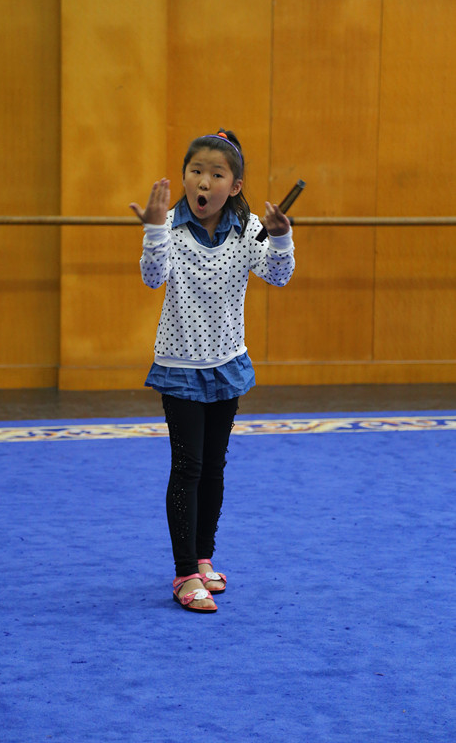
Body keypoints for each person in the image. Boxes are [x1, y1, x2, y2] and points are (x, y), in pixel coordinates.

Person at [130, 129, 295, 613]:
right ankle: (184, 574)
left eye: (216, 174)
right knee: (188, 468)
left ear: (234, 186)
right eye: (195, 171)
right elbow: (152, 278)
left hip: (227, 365)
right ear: (184, 177)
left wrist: (281, 236)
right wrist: (153, 231)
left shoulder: (247, 231)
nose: (204, 181)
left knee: (214, 468)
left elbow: (279, 275)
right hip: (180, 367)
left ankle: (203, 558)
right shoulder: (170, 227)